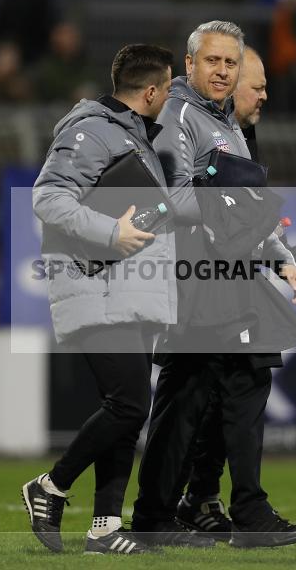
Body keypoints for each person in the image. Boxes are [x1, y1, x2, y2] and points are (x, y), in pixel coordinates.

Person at [132, 21, 296, 549]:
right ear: (189, 65)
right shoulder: (177, 113)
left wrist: (283, 261)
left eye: (230, 64)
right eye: (212, 61)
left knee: (221, 381)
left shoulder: (227, 125)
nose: (221, 71)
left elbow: (246, 210)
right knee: (193, 388)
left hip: (225, 267)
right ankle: (180, 509)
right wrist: (227, 199)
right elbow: (170, 193)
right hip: (191, 267)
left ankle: (197, 506)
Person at [23, 44, 176, 556]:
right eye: (168, 88)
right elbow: (48, 196)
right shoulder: (92, 129)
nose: (169, 97)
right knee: (130, 402)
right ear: (151, 91)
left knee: (128, 409)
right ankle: (49, 487)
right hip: (97, 285)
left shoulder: (136, 137)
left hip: (125, 289)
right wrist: (112, 233)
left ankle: (105, 528)